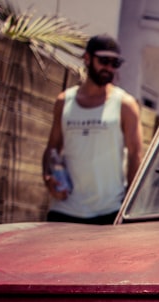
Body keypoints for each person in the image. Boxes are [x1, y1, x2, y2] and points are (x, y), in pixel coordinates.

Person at [42, 34, 143, 224]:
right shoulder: (64, 101)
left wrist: (129, 205)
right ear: (87, 59)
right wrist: (48, 177)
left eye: (115, 63)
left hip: (108, 211)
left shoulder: (125, 105)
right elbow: (52, 148)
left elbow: (135, 155)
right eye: (104, 61)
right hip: (65, 208)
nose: (109, 68)